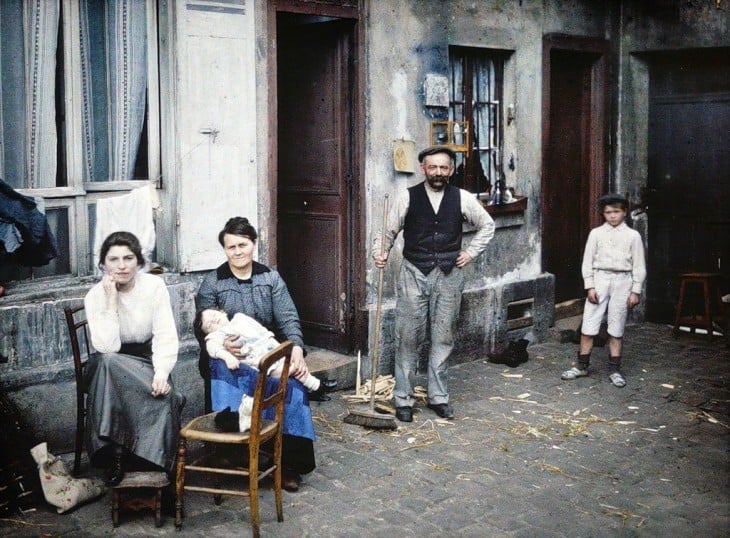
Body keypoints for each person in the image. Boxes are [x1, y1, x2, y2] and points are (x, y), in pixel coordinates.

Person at [373, 146, 495, 423]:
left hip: (450, 275)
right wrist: (379, 253)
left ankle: (439, 397)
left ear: (451, 170)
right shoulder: (407, 197)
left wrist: (470, 252)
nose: (438, 173)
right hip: (413, 272)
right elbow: (386, 231)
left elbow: (487, 225)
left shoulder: (462, 198)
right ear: (423, 169)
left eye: (444, 167)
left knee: (442, 336)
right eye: (433, 167)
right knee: (408, 336)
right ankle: (403, 399)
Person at [196, 217, 317, 492]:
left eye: (243, 244)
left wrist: (296, 347)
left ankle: (287, 464)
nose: (237, 252)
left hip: (265, 353)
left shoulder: (270, 278)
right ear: (224, 250)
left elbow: (288, 318)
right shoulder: (213, 283)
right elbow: (202, 325)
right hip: (228, 358)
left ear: (254, 244)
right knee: (225, 375)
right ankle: (231, 454)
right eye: (231, 247)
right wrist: (224, 347)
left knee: (294, 386)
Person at [83, 231, 185, 486]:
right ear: (103, 264)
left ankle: (156, 464)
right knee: (108, 362)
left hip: (147, 361)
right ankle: (115, 455)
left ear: (138, 261)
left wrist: (161, 373)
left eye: (128, 258)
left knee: (164, 396)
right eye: (113, 259)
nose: (121, 265)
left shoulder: (154, 287)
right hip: (106, 367)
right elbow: (106, 346)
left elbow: (165, 334)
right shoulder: (95, 296)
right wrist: (111, 301)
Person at [561, 193, 646, 387]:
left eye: (616, 212)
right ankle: (582, 366)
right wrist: (590, 285)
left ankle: (615, 369)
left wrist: (635, 290)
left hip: (622, 281)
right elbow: (587, 262)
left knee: (616, 325)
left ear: (624, 212)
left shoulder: (633, 236)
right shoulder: (596, 234)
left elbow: (639, 266)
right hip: (600, 278)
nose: (612, 216)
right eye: (608, 212)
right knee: (589, 323)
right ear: (603, 214)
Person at [195, 308, 334, 401]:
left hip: (270, 346)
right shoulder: (217, 335)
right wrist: (227, 356)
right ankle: (316, 386)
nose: (213, 321)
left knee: (293, 362)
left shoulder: (240, 318)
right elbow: (212, 348)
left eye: (213, 315)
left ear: (222, 312)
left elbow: (260, 328)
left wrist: (275, 342)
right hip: (259, 360)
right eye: (209, 325)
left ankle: (314, 386)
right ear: (209, 333)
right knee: (285, 369)